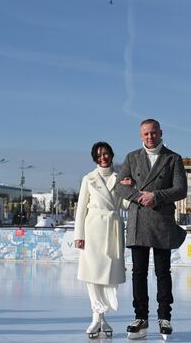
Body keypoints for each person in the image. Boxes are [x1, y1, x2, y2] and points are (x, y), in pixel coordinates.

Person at [114, 119, 187, 340]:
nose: (149, 137)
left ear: (160, 133)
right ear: (141, 136)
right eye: (145, 134)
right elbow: (118, 186)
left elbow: (181, 189)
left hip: (162, 221)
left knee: (163, 272)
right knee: (139, 273)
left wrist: (156, 196)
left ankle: (165, 317)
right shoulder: (132, 157)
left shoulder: (173, 158)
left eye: (153, 133)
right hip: (138, 221)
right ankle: (140, 317)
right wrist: (139, 196)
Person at [74, 142, 129, 339]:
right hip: (93, 230)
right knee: (92, 275)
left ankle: (101, 317)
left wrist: (130, 188)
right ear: (95, 158)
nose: (103, 158)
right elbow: (81, 209)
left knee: (108, 276)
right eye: (99, 155)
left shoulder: (120, 177)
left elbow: (124, 204)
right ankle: (97, 316)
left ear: (111, 155)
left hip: (112, 229)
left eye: (105, 154)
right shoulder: (88, 179)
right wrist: (78, 235)